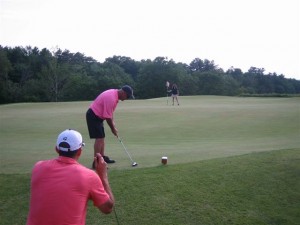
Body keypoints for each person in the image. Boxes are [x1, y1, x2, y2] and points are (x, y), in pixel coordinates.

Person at [26, 129, 115, 225]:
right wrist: (103, 176)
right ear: (79, 151)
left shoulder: (38, 167)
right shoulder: (88, 176)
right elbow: (107, 208)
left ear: (56, 149)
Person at [86, 85, 134, 167]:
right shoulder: (111, 98)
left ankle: (102, 158)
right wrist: (112, 129)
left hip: (98, 116)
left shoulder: (115, 95)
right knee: (99, 138)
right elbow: (107, 117)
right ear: (123, 92)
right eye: (127, 96)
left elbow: (110, 114)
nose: (127, 98)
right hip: (93, 116)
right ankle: (96, 162)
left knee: (102, 138)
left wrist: (114, 126)